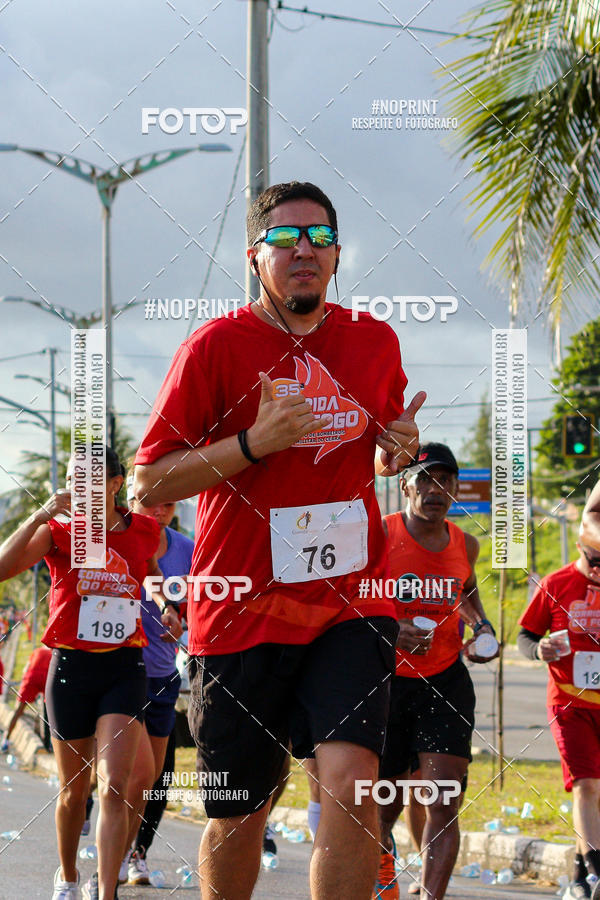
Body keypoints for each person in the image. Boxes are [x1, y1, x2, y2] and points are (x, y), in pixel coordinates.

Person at [134, 180, 425, 900]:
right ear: (254, 257)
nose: (304, 250)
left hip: (349, 603)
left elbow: (381, 445)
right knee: (240, 814)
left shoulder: (374, 341)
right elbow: (149, 483)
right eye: (286, 238)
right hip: (241, 610)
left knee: (353, 789)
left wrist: (396, 449)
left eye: (319, 237)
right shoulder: (214, 347)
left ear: (336, 255)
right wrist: (251, 444)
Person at [0, 446, 179, 900]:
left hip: (125, 667)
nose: (77, 488)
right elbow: (3, 569)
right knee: (73, 792)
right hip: (71, 669)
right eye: (72, 479)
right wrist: (39, 515)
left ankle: (107, 892)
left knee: (116, 786)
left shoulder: (144, 529)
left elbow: (151, 572)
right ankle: (67, 876)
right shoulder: (59, 531)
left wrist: (166, 606)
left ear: (116, 485)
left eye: (88, 479)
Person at [374, 443, 498, 900]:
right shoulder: (379, 534)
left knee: (443, 801)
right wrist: (390, 629)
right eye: (425, 479)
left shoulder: (467, 543)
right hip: (385, 682)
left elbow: (465, 590)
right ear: (406, 486)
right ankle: (381, 873)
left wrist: (482, 628)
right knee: (384, 803)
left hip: (445, 681)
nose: (435, 490)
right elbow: (347, 594)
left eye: (445, 481)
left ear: (455, 490)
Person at [518, 526, 600, 900]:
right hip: (569, 702)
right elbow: (525, 636)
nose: (597, 570)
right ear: (581, 547)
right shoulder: (556, 583)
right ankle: (597, 871)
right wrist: (539, 650)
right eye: (593, 560)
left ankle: (581, 874)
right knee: (587, 784)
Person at [121, 487, 191, 885]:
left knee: (156, 776)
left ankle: (137, 853)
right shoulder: (114, 541)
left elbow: (198, 606)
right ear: (131, 497)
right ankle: (111, 854)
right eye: (152, 501)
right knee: (127, 775)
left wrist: (181, 619)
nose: (161, 510)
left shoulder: (187, 549)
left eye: (170, 502)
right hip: (117, 672)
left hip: (163, 673)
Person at [1, 645, 52, 752]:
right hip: (46, 678)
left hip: (31, 677)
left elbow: (26, 669)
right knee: (48, 711)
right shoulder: (53, 653)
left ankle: (6, 739)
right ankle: (48, 743)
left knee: (18, 710)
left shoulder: (37, 651)